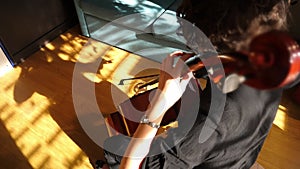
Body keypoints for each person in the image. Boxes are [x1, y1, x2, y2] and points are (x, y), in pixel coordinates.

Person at [100, 0, 298, 169]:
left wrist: (160, 102)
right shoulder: (276, 58)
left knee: (114, 148)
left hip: (207, 151)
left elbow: (130, 166)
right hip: (241, 156)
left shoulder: (209, 125)